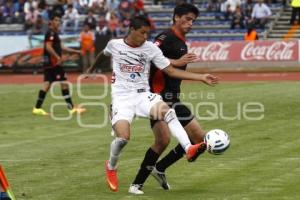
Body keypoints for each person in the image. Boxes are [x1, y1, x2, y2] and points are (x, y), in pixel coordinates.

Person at [85, 16, 218, 193]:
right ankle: (111, 166)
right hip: (122, 98)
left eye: (148, 33)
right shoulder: (115, 44)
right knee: (123, 139)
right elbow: (103, 54)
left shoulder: (149, 48)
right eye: (142, 33)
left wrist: (200, 77)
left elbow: (170, 70)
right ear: (131, 29)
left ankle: (188, 147)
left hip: (143, 96)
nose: (145, 37)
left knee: (167, 112)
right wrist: (92, 69)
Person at [129, 3, 216, 194]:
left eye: (193, 20)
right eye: (187, 19)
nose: (190, 23)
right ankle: (136, 184)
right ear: (176, 17)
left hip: (173, 98)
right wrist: (180, 64)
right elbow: (150, 58)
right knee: (165, 140)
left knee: (196, 139)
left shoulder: (181, 42)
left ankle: (159, 169)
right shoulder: (165, 37)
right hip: (158, 98)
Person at [32, 15, 86, 116]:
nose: (58, 22)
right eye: (56, 20)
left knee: (47, 84)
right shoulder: (51, 33)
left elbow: (62, 47)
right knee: (64, 83)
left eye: (59, 20)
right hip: (54, 63)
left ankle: (37, 108)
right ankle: (71, 108)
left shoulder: (54, 34)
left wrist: (76, 51)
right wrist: (58, 57)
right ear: (51, 22)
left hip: (50, 63)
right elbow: (48, 47)